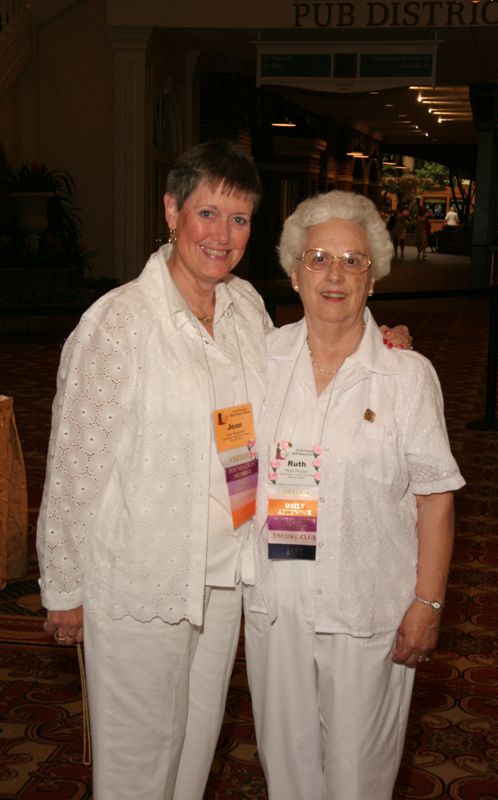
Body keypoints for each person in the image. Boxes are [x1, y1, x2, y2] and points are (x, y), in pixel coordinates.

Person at [36, 141, 411, 800]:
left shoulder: (244, 310)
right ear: (171, 211)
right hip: (144, 583)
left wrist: (373, 344)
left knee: (190, 757)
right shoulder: (119, 322)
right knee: (137, 768)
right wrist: (62, 586)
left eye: (238, 220)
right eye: (208, 214)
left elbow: (300, 373)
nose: (222, 234)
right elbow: (74, 464)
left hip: (227, 578)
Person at [244, 190, 465, 800]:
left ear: (374, 279)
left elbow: (436, 497)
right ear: (294, 272)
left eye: (353, 261)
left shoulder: (406, 375)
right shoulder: (257, 360)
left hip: (368, 610)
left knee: (358, 781)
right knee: (284, 774)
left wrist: (430, 603)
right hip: (276, 602)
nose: (335, 275)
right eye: (318, 258)